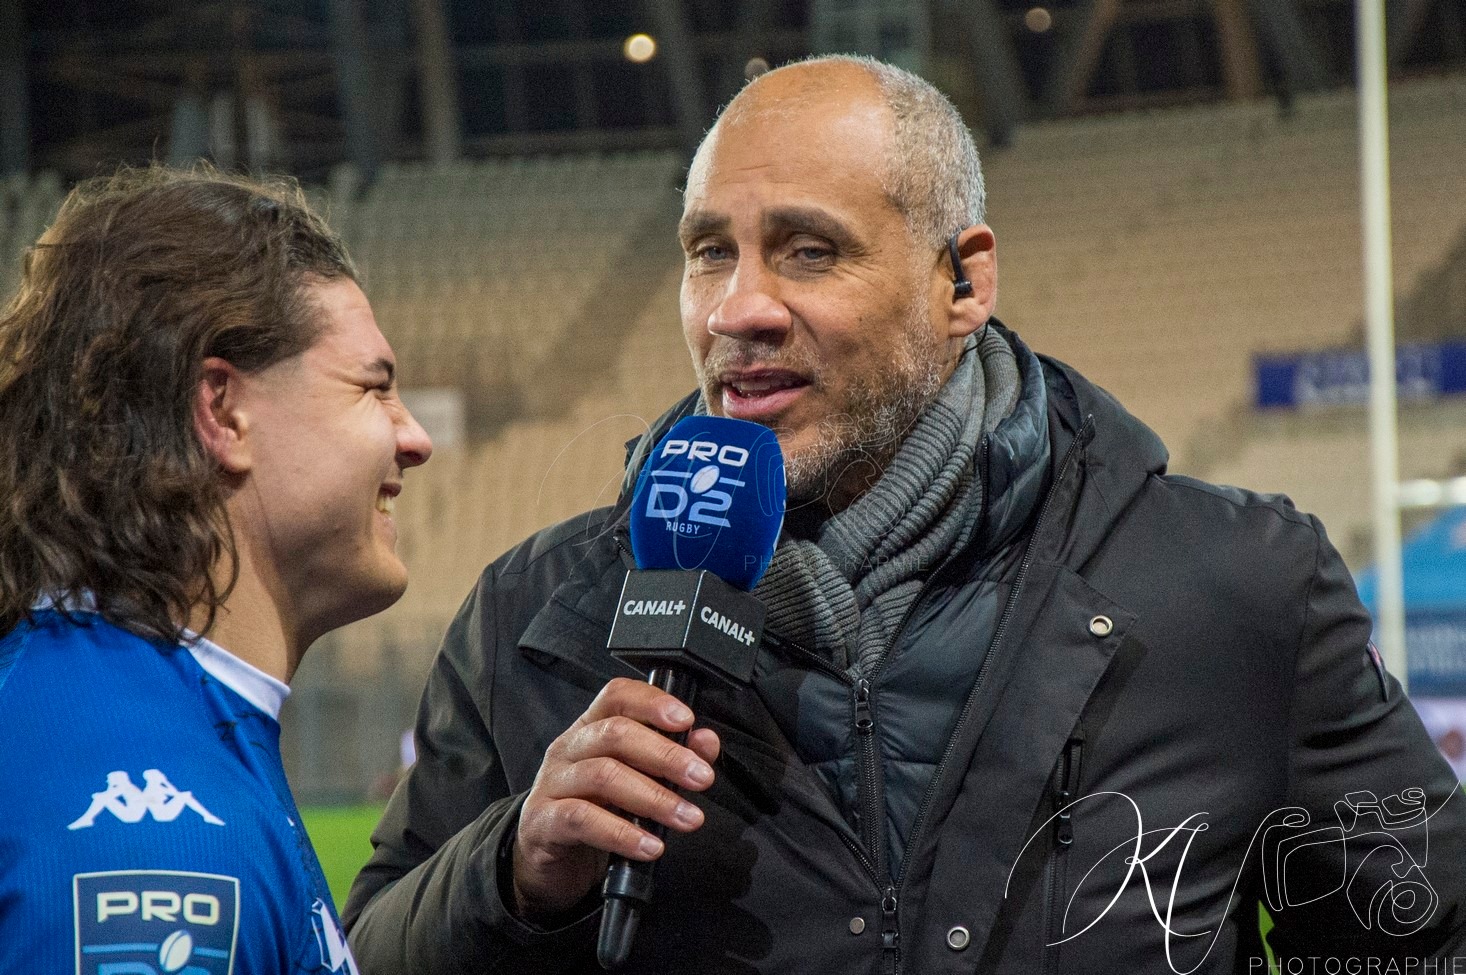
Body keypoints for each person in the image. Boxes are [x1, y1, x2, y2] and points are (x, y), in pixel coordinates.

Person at [344, 56, 1466, 972]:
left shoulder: (1235, 587)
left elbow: (1418, 938)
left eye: (807, 250)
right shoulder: (542, 615)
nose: (737, 308)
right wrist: (510, 874)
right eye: (706, 255)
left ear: (962, 283)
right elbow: (363, 953)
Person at [0, 166, 433, 974]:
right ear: (224, 411)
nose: (414, 438)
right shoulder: (149, 824)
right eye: (374, 389)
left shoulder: (133, 709)